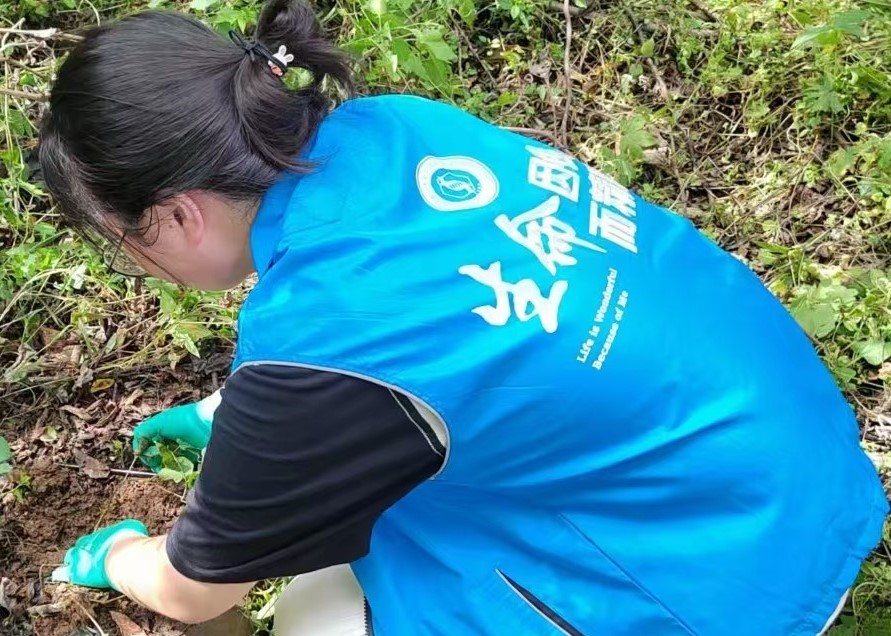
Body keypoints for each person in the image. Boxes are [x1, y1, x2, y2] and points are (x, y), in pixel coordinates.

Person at [40, 1, 887, 634]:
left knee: (314, 614)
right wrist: (228, 418)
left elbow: (198, 588)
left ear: (179, 214)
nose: (138, 265)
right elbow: (467, 339)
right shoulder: (395, 129)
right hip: (787, 454)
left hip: (725, 575)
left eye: (123, 242)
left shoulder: (325, 335)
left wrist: (118, 555)